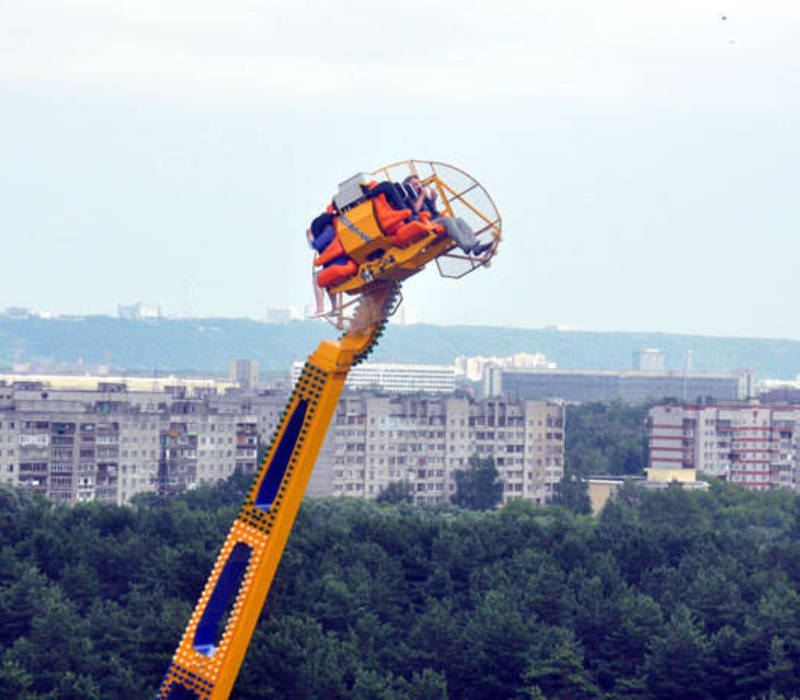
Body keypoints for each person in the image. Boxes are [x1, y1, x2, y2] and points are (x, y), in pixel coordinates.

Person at [402, 175, 492, 256]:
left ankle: (475, 245)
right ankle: (466, 246)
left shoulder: (423, 197)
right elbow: (414, 210)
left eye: (419, 184)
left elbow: (434, 212)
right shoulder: (409, 198)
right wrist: (421, 196)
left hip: (434, 220)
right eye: (415, 185)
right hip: (425, 224)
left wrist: (433, 200)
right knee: (447, 220)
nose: (419, 187)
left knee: (459, 220)